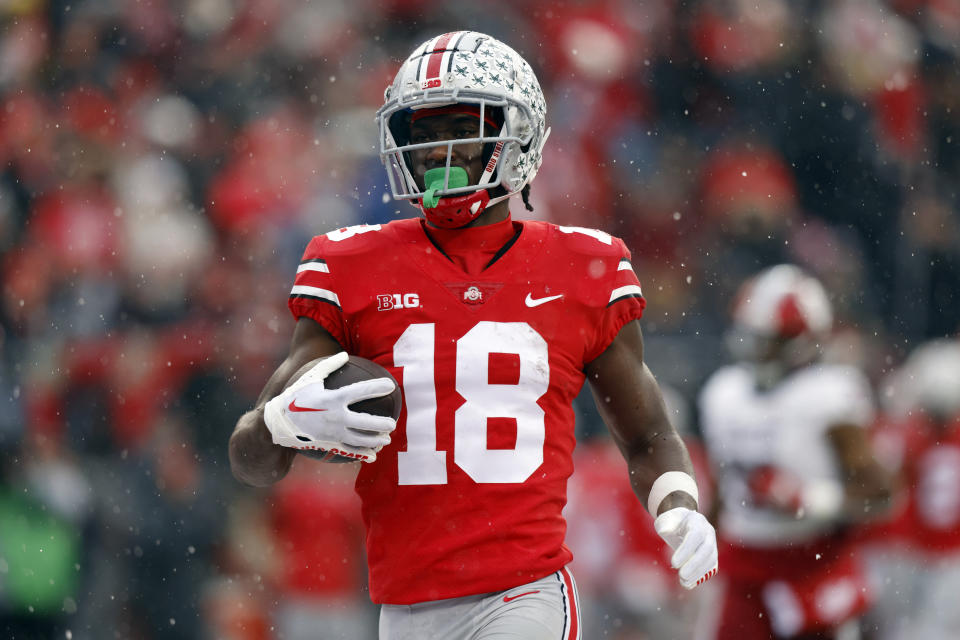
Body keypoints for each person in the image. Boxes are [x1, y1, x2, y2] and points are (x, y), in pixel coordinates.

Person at [229, 31, 717, 640]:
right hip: (403, 606)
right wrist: (283, 421)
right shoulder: (347, 264)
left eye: (460, 126)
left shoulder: (584, 266)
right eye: (422, 133)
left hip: (525, 594)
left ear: (519, 133)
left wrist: (678, 505)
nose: (438, 150)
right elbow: (250, 456)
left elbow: (647, 435)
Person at [698, 264, 893, 640]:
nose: (751, 347)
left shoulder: (829, 396)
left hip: (813, 562)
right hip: (744, 561)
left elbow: (881, 493)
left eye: (765, 338)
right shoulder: (724, 393)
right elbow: (723, 490)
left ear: (798, 341)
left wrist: (811, 499)